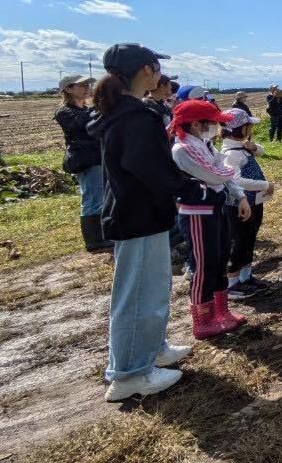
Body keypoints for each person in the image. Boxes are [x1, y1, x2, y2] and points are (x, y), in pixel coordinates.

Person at [87, 43, 194, 401]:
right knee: (136, 294)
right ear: (146, 70)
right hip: (138, 215)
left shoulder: (126, 111)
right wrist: (186, 188)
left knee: (153, 287)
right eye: (156, 66)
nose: (160, 73)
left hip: (142, 213)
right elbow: (151, 168)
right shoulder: (134, 117)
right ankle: (130, 375)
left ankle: (151, 349)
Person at [169, 99, 251, 339]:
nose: (217, 127)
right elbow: (215, 175)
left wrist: (240, 195)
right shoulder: (182, 149)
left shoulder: (204, 144)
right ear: (196, 123)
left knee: (221, 258)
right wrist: (223, 172)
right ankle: (202, 320)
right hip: (197, 213)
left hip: (216, 208)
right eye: (214, 122)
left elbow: (223, 174)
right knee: (204, 265)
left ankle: (221, 311)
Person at [219, 108, 274, 299]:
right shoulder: (231, 154)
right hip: (238, 205)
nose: (251, 129)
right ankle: (232, 283)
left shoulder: (243, 146)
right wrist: (265, 184)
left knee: (250, 237)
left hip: (253, 202)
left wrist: (254, 147)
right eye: (249, 126)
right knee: (239, 241)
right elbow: (235, 180)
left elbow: (262, 151)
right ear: (241, 129)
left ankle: (245, 276)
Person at [54, 74, 110, 253]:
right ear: (68, 89)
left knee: (99, 196)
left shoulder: (85, 109)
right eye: (81, 85)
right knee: (92, 198)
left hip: (96, 157)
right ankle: (94, 240)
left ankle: (102, 236)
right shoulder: (65, 112)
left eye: (87, 85)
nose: (86, 88)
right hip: (86, 160)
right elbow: (85, 123)